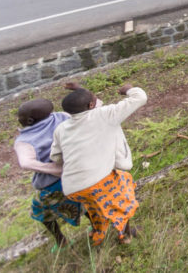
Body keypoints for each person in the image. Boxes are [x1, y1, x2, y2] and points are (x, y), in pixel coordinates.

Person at [50, 82, 147, 246]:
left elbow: (56, 157)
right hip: (97, 182)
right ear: (91, 105)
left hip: (73, 188)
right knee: (122, 196)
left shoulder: (61, 128)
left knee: (95, 206)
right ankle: (126, 235)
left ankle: (97, 234)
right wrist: (128, 89)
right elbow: (140, 97)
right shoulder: (105, 115)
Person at [13, 99, 84, 249]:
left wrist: (55, 168)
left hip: (53, 185)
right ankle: (98, 229)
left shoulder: (24, 141)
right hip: (80, 171)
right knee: (88, 201)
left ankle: (61, 240)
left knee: (40, 212)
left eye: (19, 117)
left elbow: (25, 163)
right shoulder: (62, 116)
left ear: (30, 120)